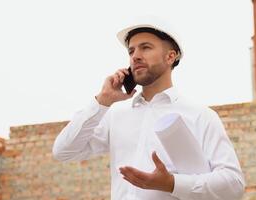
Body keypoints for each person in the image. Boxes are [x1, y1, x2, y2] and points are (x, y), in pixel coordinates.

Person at [52, 20, 245, 200]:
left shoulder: (201, 116)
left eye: (145, 47)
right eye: (131, 51)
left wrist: (172, 184)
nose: (135, 56)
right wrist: (102, 101)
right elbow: (63, 151)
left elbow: (234, 184)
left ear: (171, 56)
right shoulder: (116, 114)